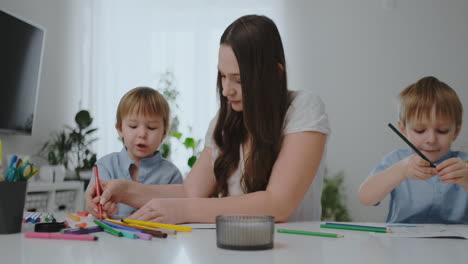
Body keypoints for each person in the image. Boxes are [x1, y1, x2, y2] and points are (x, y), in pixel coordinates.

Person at [86, 15, 330, 224]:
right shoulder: (225, 122)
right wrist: (123, 190)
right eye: (222, 76)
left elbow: (278, 204)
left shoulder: (302, 108)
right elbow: (190, 190)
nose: (226, 90)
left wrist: (184, 210)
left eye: (239, 79)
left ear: (275, 73)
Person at [359, 76, 468, 224]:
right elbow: (365, 197)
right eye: (419, 130)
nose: (431, 139)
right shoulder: (397, 160)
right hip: (402, 243)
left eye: (442, 131)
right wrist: (401, 170)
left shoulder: (464, 164)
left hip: (455, 244)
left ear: (456, 130)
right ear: (403, 129)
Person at [86, 87, 183, 217]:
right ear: (120, 129)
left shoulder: (172, 175)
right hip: (111, 237)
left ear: (164, 132)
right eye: (133, 126)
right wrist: (97, 207)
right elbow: (93, 203)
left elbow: (176, 212)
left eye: (151, 127)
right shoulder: (105, 166)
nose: (142, 134)